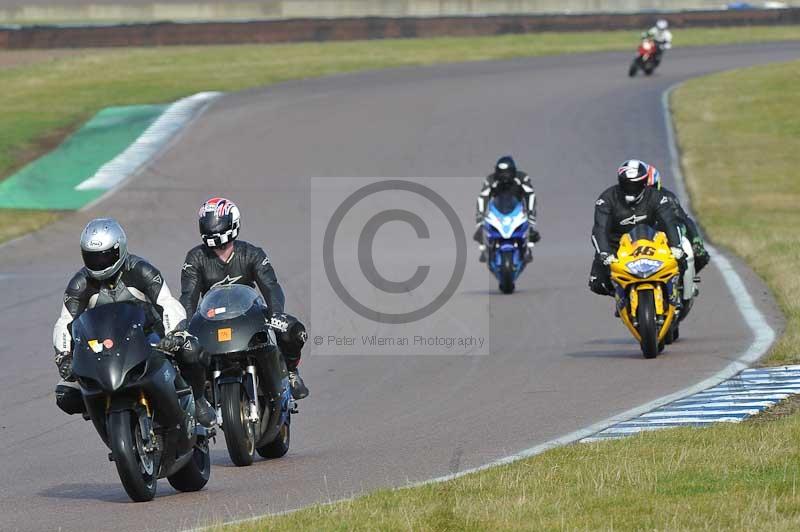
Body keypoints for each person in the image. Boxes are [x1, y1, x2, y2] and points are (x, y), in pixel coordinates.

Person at [53, 218, 216, 427]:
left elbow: (167, 302)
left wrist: (174, 334)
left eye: (104, 257)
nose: (99, 263)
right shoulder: (80, 283)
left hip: (149, 336)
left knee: (190, 349)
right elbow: (65, 321)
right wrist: (63, 356)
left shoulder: (141, 270)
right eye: (92, 257)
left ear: (119, 249)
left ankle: (199, 400)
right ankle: (104, 412)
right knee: (65, 394)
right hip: (106, 347)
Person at [180, 197, 309, 400]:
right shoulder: (195, 258)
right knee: (181, 351)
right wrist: (184, 328)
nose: (215, 230)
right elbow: (189, 297)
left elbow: (271, 287)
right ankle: (197, 397)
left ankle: (291, 371)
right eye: (210, 226)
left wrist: (276, 315)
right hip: (211, 319)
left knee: (293, 331)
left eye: (219, 226)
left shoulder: (252, 254)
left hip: (250, 316)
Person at [589, 160, 684, 297]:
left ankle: (679, 292)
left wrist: (676, 246)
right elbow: (599, 228)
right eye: (626, 185)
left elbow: (670, 222)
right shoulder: (606, 199)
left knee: (683, 259)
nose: (630, 189)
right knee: (598, 284)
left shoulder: (657, 197)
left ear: (644, 183)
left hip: (654, 243)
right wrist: (605, 253)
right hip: (617, 246)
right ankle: (621, 296)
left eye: (635, 185)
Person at [644, 163, 710, 273]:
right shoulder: (624, 202)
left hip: (664, 239)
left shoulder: (668, 197)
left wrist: (696, 242)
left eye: (651, 189)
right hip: (638, 241)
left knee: (700, 255)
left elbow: (684, 219)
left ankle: (686, 281)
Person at [474, 156, 540, 263]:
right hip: (498, 210)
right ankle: (484, 247)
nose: (504, 177)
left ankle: (529, 244)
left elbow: (530, 195)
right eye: (501, 173)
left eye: (507, 173)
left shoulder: (522, 178)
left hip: (517, 210)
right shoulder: (491, 180)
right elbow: (483, 196)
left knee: (530, 225)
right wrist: (480, 217)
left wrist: (531, 213)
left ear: (513, 171)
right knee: (482, 229)